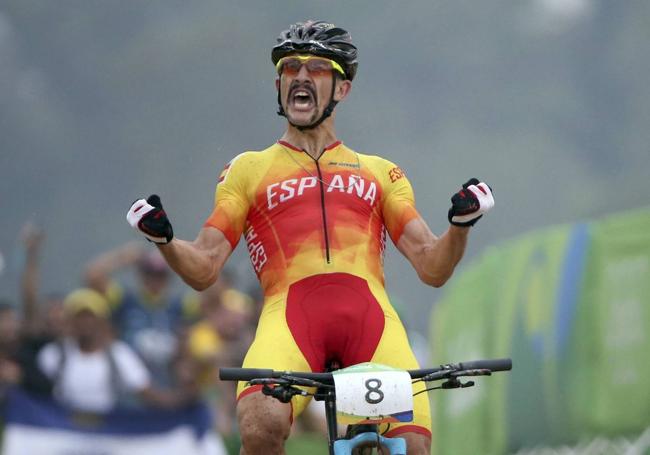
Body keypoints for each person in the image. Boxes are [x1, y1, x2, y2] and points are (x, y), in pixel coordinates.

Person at [126, 20, 494, 455]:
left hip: (371, 324)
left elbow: (432, 266)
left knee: (412, 446)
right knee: (259, 426)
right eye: (290, 67)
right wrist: (165, 240)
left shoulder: (381, 172)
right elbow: (205, 267)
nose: (300, 76)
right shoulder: (249, 169)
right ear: (279, 84)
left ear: (342, 89)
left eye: (317, 67)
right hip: (290, 322)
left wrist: (459, 225)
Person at [37, 288, 196, 413]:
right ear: (70, 321)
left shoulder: (119, 354)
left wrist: (186, 396)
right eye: (79, 317)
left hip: (107, 432)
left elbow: (150, 395)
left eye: (90, 316)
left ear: (102, 321)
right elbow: (33, 395)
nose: (84, 323)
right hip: (64, 431)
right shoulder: (53, 355)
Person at [85, 243, 199, 388]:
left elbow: (211, 296)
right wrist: (124, 258)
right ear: (141, 275)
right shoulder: (125, 300)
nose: (155, 280)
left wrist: (182, 259)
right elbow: (92, 275)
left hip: (169, 386)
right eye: (149, 273)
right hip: (130, 389)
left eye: (160, 275)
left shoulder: (179, 306)